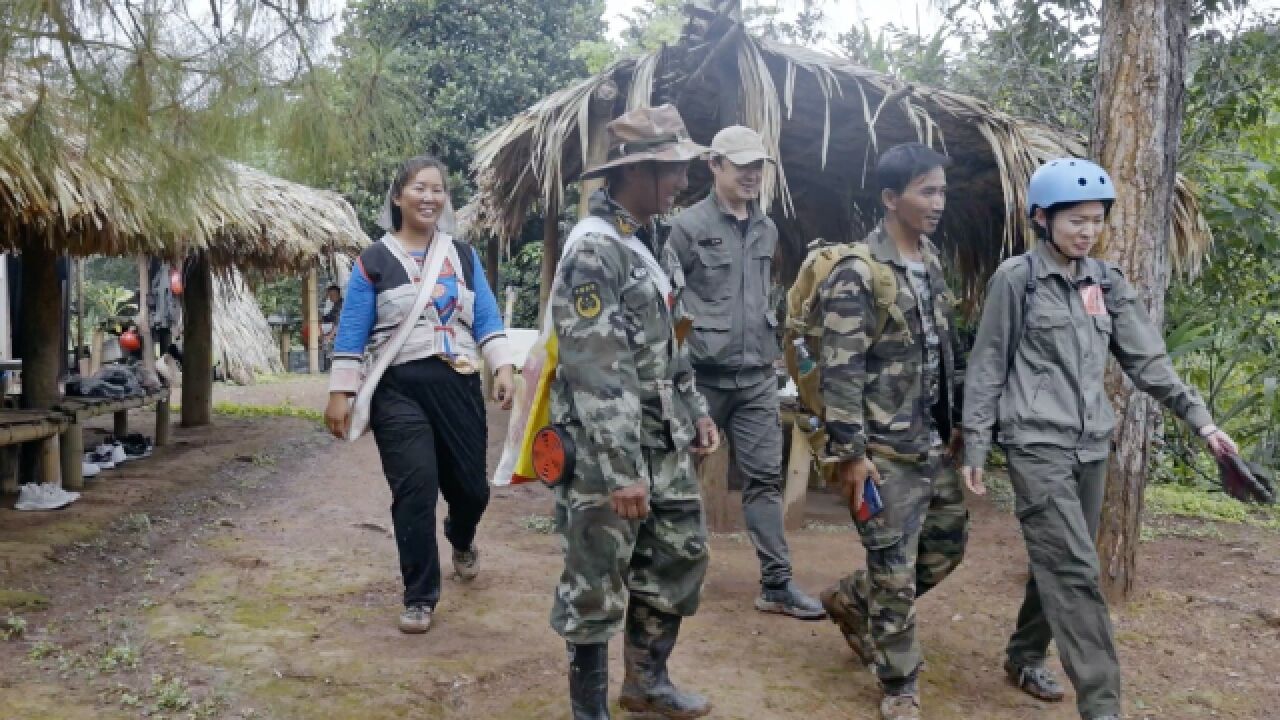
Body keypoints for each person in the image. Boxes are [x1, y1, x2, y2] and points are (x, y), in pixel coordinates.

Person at [961, 158, 1238, 720]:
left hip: (1091, 448)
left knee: (1061, 558)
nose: (1087, 231)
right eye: (1074, 220)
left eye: (1095, 220)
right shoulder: (1019, 279)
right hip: (1035, 443)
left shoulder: (1105, 282)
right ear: (1042, 218)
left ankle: (1022, 655)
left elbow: (1147, 360)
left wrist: (1202, 420)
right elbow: (988, 363)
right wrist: (974, 441)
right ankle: (1102, 704)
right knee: (1073, 570)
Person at [549, 105, 719, 720]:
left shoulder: (648, 242)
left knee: (679, 553)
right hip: (604, 448)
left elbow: (672, 341)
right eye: (672, 169)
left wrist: (696, 409)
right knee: (596, 578)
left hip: (663, 436)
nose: (682, 180)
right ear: (636, 172)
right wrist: (622, 470)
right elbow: (598, 368)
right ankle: (589, 709)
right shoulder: (595, 251)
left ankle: (646, 681)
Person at [323, 154, 516, 635]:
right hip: (398, 390)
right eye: (418, 188)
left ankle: (461, 533)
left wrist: (504, 367)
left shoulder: (464, 256)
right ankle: (419, 595)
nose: (428, 197)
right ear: (397, 197)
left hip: (459, 383)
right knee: (415, 489)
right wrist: (340, 393)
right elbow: (352, 330)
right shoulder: (373, 260)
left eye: (436, 189)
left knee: (470, 489)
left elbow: (487, 317)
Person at [814, 143, 968, 720]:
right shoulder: (859, 273)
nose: (938, 203)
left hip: (928, 442)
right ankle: (899, 683)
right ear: (890, 198)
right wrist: (851, 455)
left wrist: (952, 428)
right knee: (894, 569)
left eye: (942, 192)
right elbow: (840, 370)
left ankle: (851, 600)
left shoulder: (930, 260)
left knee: (948, 546)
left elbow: (940, 355)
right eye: (927, 192)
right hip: (880, 451)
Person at [663, 125, 824, 620]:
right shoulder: (686, 227)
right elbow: (671, 305)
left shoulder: (767, 228)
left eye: (758, 166)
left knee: (763, 482)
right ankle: (666, 576)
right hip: (702, 379)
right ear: (714, 166)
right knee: (677, 477)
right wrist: (679, 368)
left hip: (755, 376)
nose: (753, 175)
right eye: (742, 166)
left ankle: (776, 583)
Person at [320, 284, 343, 371]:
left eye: (332, 295)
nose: (330, 297)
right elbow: (329, 317)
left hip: (344, 332)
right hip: (337, 330)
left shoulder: (341, 305)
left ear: (338, 294)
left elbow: (338, 323)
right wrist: (319, 318)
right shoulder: (336, 305)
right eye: (329, 295)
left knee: (327, 342)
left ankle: (331, 366)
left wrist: (330, 336)